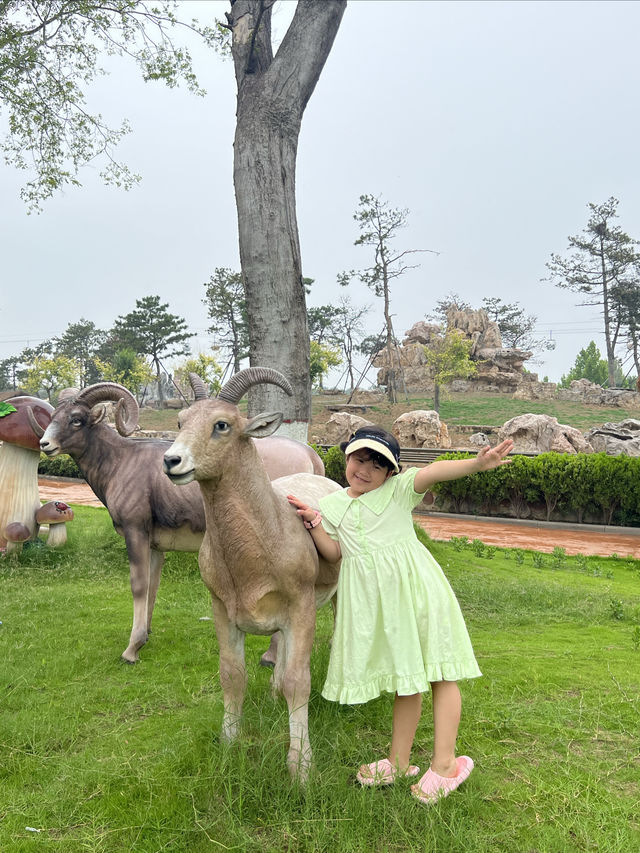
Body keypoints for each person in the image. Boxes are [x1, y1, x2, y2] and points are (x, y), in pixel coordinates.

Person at [287, 426, 513, 804]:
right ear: (346, 458)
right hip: (381, 607)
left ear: (390, 472)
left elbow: (434, 472)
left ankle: (446, 765)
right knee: (405, 680)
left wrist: (476, 464)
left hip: (419, 594)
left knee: (441, 672)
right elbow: (335, 553)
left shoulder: (398, 491)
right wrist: (313, 522)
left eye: (377, 464)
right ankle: (398, 761)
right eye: (359, 458)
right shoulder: (334, 505)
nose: (365, 469)